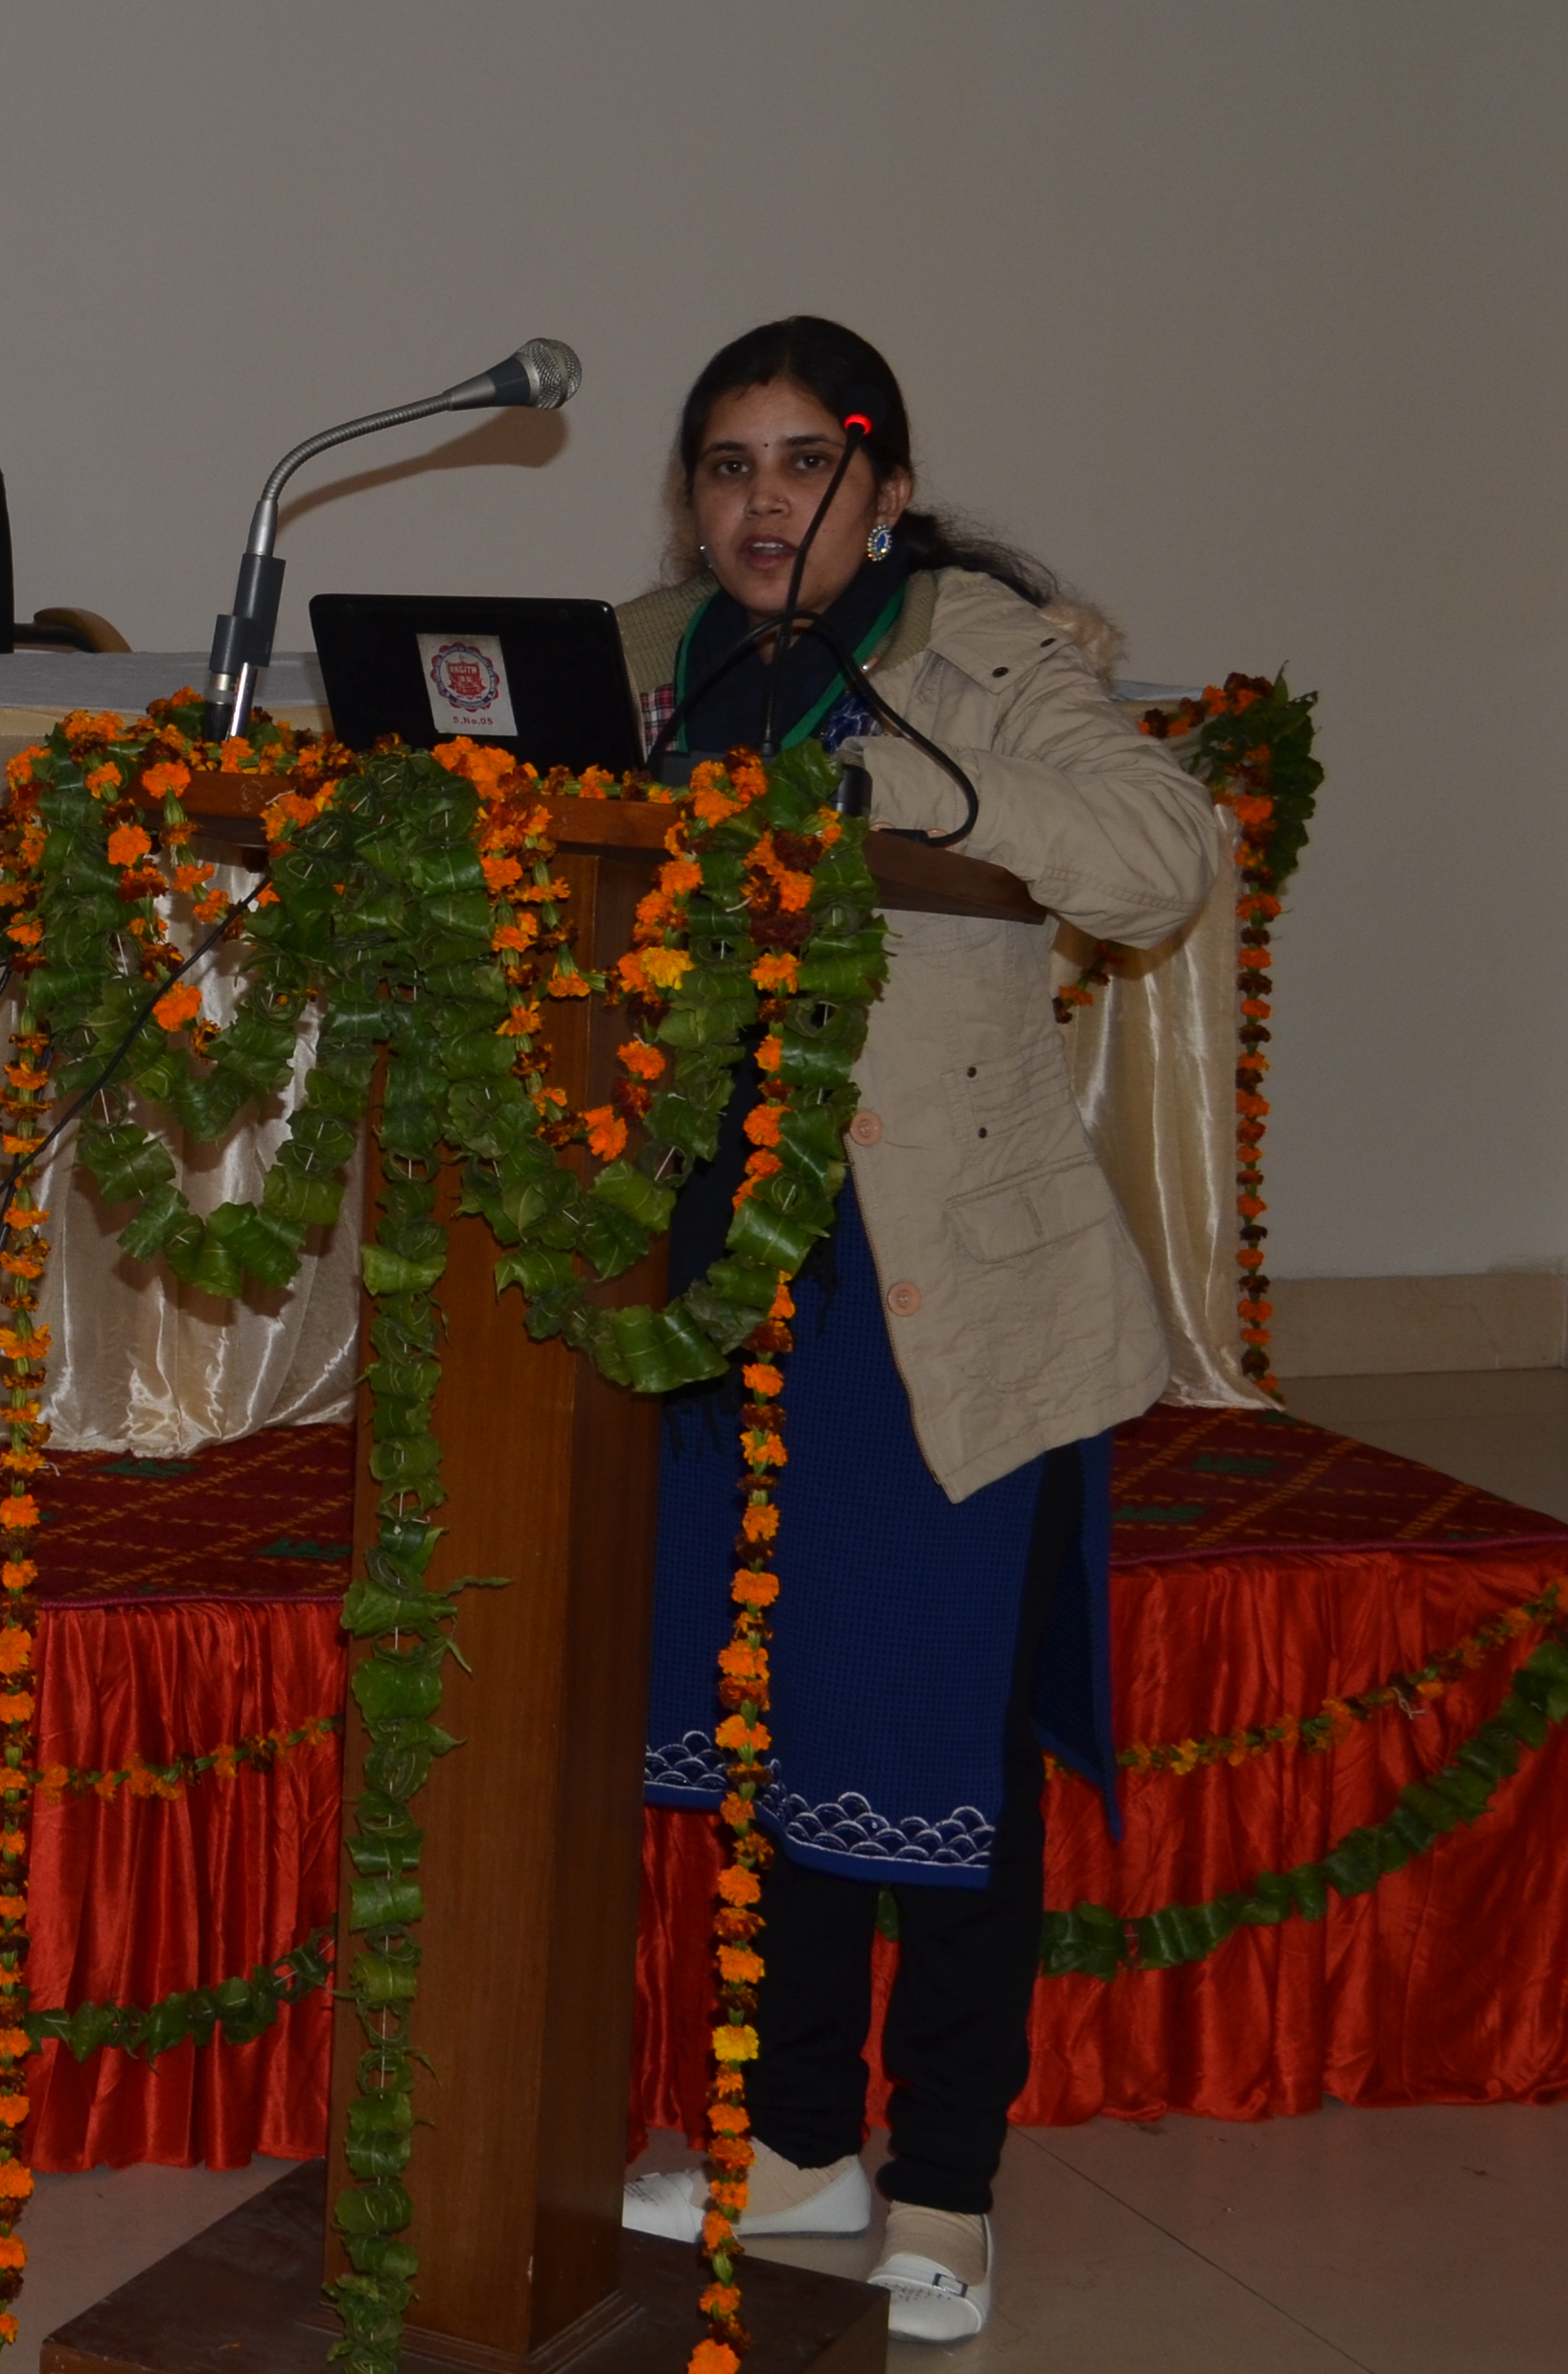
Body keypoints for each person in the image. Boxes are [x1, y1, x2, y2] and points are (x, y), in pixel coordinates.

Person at [610, 317, 1225, 2344]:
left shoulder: (987, 649)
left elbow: (1160, 859)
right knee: (774, 1725)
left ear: (881, 488)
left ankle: (944, 2180)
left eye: (804, 462)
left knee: (943, 1744)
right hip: (721, 1269)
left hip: (936, 1294)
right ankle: (797, 2143)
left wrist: (908, 780)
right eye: (727, 465)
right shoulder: (652, 664)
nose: (762, 502)